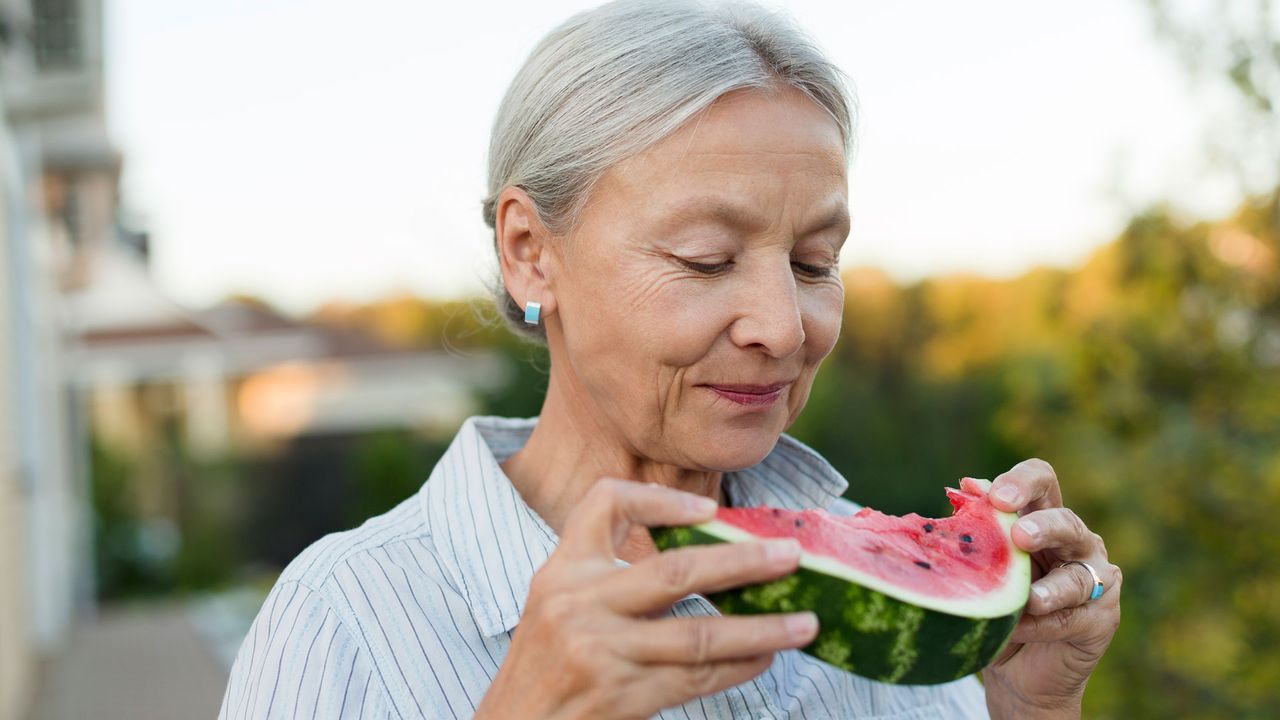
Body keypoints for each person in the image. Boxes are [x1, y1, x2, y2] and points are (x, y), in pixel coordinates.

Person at [218, 1, 1122, 717]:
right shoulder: (344, 620)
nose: (783, 325)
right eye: (703, 259)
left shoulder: (901, 627)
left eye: (814, 263)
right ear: (530, 250)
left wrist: (1028, 708)